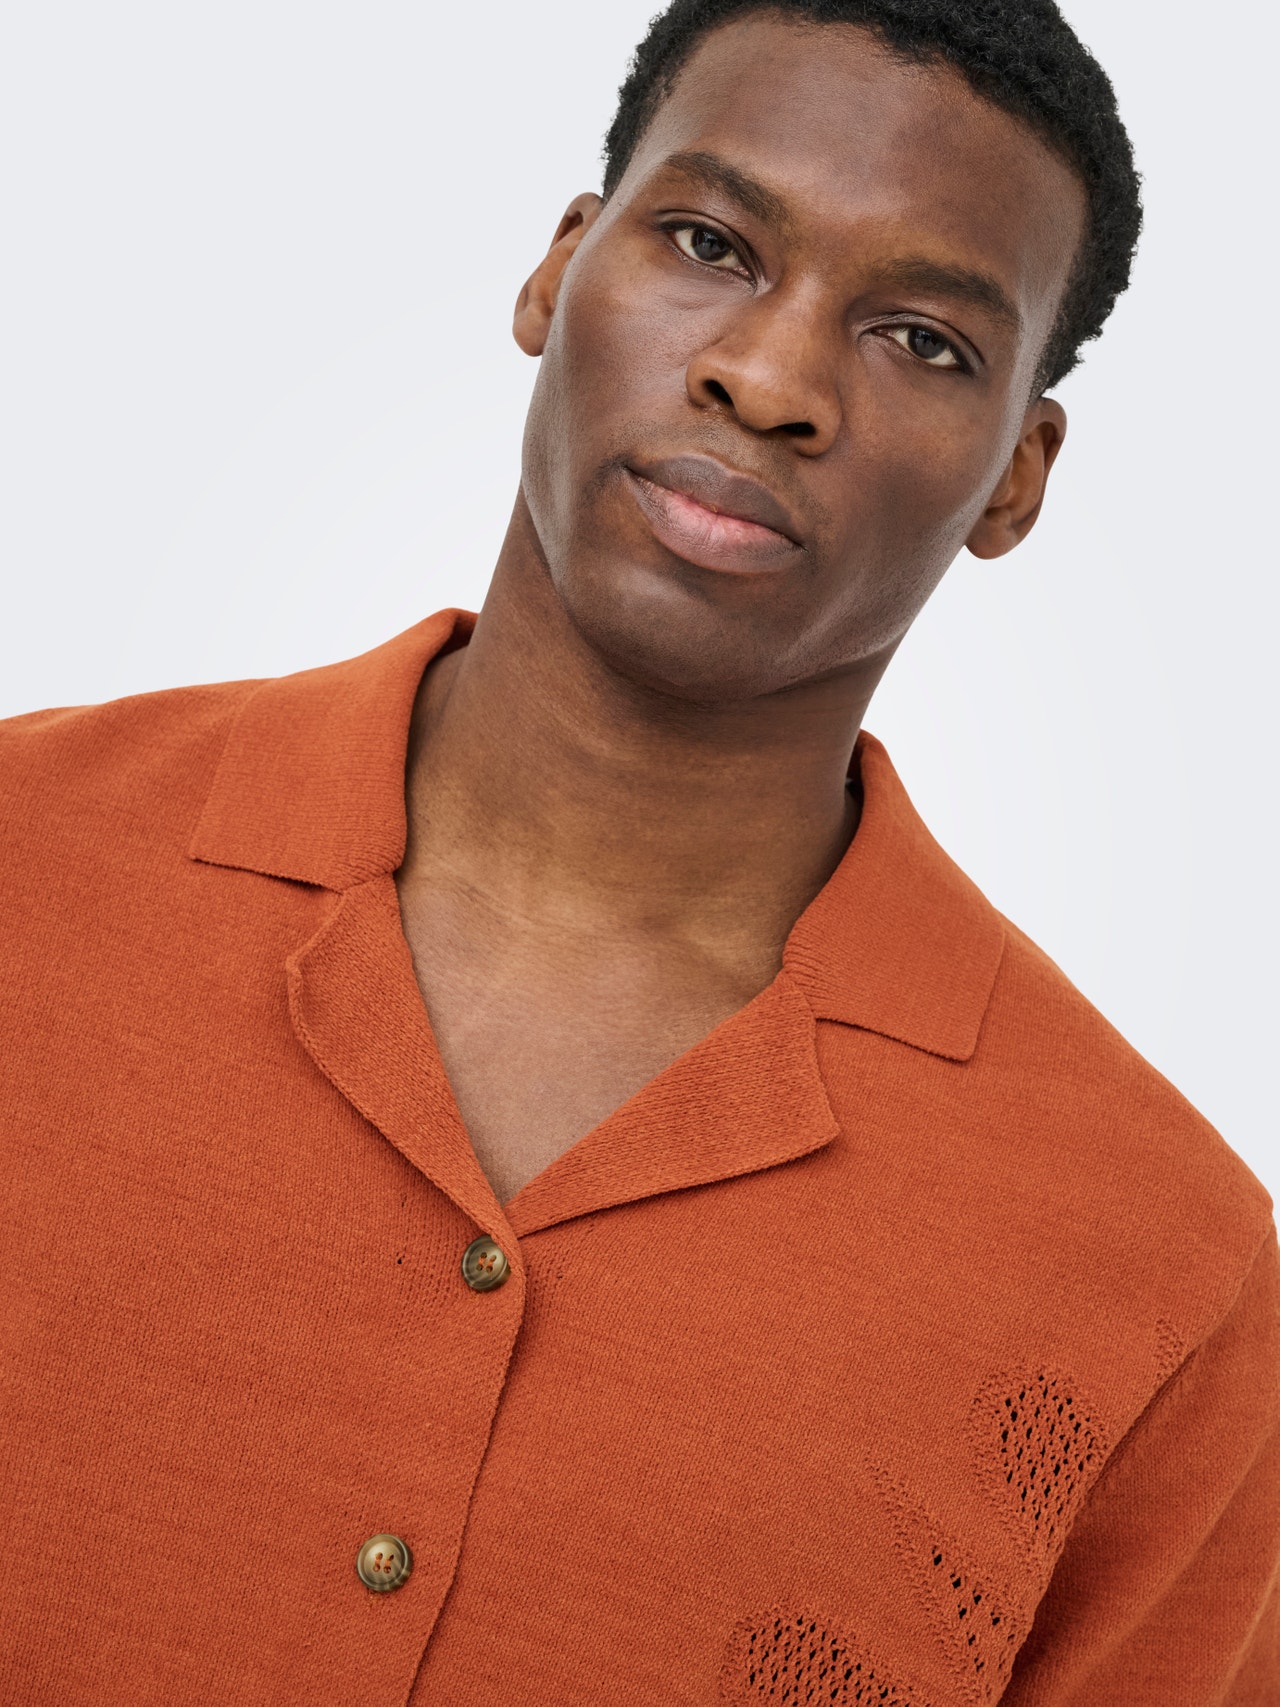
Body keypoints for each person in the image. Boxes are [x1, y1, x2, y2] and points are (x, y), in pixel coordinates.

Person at [1, 0, 1275, 1700]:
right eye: (709, 243)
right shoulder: (27, 861)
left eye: (923, 341)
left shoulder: (1168, 1272)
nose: (771, 380)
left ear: (1014, 481)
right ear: (558, 270)